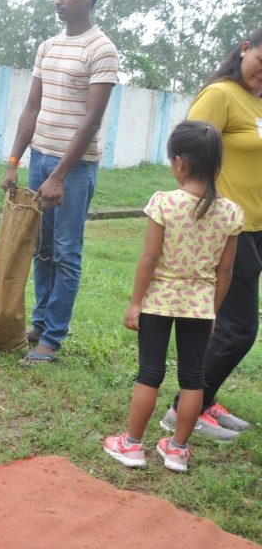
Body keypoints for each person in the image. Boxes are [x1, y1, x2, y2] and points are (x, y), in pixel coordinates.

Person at [103, 121, 241, 472]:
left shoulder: (164, 203)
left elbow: (149, 258)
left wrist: (136, 302)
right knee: (193, 379)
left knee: (149, 373)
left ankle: (132, 445)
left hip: (158, 302)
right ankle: (177, 449)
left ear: (180, 163)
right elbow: (224, 272)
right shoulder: (230, 213)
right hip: (200, 306)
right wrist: (213, 311)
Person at [1, 0, 119, 364]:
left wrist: (59, 176)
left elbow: (92, 120)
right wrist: (14, 161)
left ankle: (51, 338)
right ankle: (38, 324)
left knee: (66, 252)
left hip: (75, 168)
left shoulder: (101, 49)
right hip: (38, 160)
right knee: (42, 248)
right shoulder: (48, 46)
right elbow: (32, 108)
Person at [158, 27, 262, 441]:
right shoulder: (220, 94)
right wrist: (199, 213)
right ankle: (182, 410)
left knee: (223, 326)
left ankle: (205, 397)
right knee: (239, 329)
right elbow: (188, 150)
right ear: (244, 49)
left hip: (255, 226)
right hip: (227, 228)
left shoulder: (256, 101)